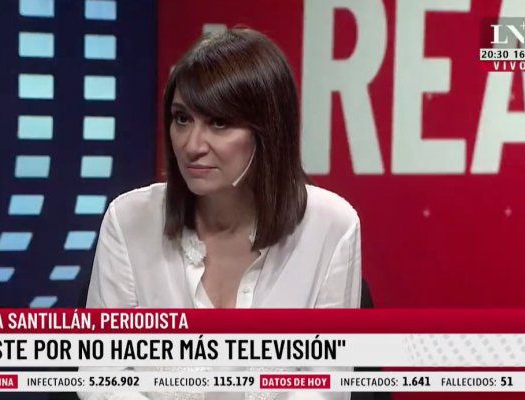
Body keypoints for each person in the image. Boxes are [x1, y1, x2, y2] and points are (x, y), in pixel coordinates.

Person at [79, 28, 361, 400]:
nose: (192, 145)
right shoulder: (128, 220)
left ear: (268, 131)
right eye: (182, 119)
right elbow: (102, 377)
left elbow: (326, 387)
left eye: (219, 123)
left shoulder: (331, 226)